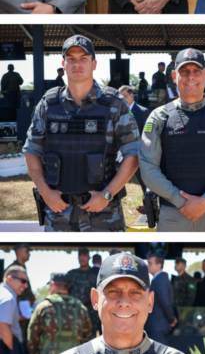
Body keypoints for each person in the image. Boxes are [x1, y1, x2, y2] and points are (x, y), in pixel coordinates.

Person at [33, 253, 198, 354]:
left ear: (150, 302)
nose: (124, 302)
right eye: (113, 292)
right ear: (95, 300)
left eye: (135, 293)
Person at [23, 35, 138, 232]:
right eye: (71, 59)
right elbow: (31, 150)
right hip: (58, 213)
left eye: (83, 58)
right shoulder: (48, 104)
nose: (77, 64)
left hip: (104, 214)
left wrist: (107, 195)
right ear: (63, 64)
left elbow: (134, 153)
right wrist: (45, 192)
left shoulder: (114, 104)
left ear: (94, 63)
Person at [139, 49, 205, 232]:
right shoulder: (158, 117)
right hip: (173, 214)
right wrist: (182, 201)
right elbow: (148, 168)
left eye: (196, 71)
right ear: (174, 75)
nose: (190, 77)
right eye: (184, 72)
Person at [26, 272, 91, 354]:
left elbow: (32, 338)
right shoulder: (80, 307)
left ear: (53, 285)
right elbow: (87, 334)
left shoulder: (43, 307)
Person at [64, 249, 100, 339]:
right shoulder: (72, 274)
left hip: (92, 314)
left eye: (84, 255)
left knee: (91, 341)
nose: (82, 258)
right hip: (75, 313)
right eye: (80, 256)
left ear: (88, 257)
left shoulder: (96, 273)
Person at [145, 253, 176, 344]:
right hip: (156, 325)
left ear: (159, 265)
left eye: (150, 263)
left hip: (158, 325)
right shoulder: (157, 279)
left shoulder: (161, 279)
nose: (148, 265)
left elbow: (165, 302)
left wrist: (171, 319)